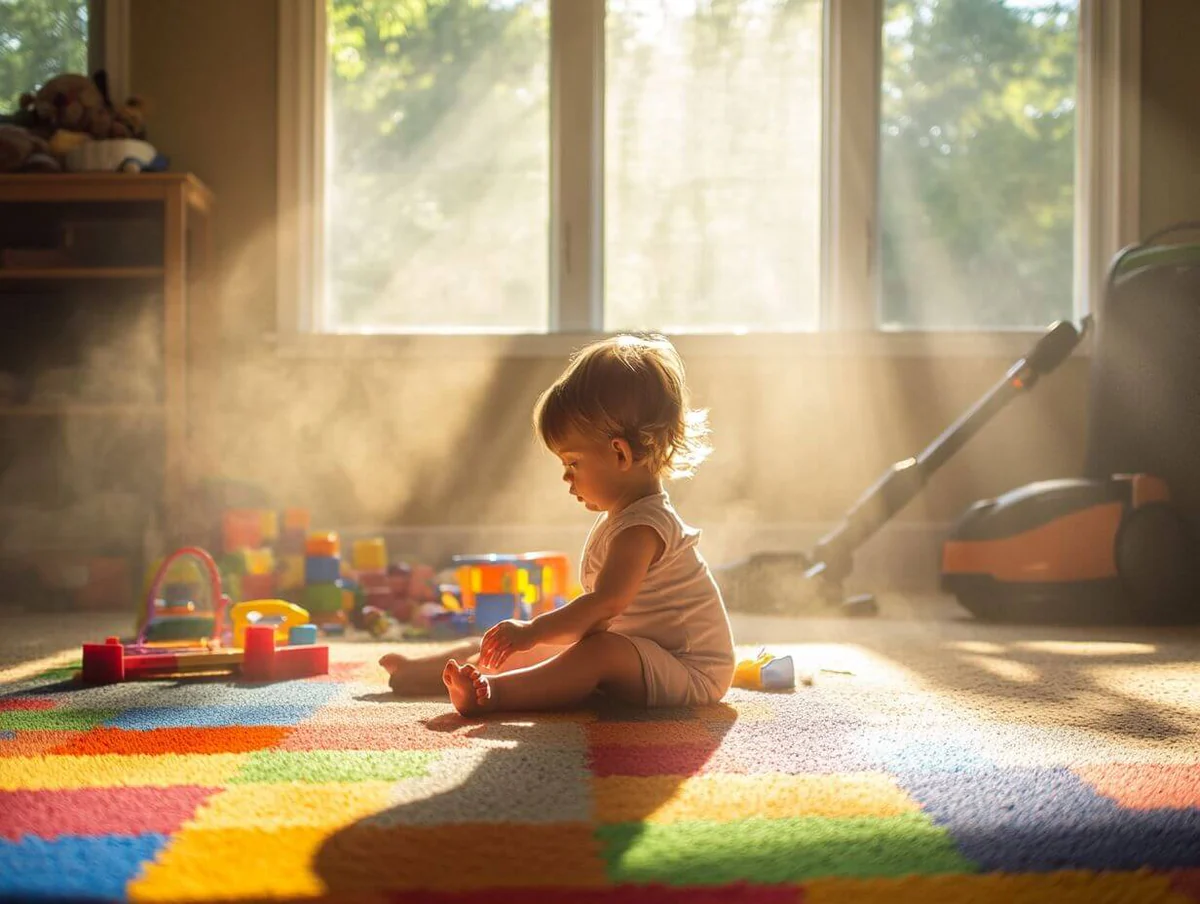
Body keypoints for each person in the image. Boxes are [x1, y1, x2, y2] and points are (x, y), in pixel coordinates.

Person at [380, 333, 735, 715]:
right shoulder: (623, 517)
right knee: (533, 645)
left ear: (619, 453)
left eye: (572, 463)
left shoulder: (644, 528)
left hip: (692, 669)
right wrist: (531, 637)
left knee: (595, 651)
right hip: (646, 653)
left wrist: (533, 631)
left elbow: (604, 604)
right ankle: (420, 673)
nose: (567, 477)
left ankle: (494, 694)